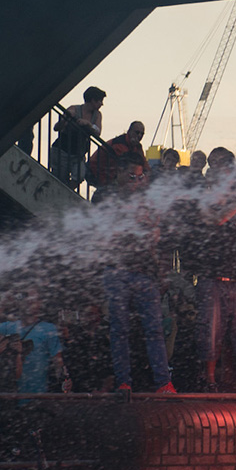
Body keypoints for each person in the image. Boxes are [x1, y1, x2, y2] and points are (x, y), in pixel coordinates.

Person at [187, 148, 236, 391]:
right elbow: (218, 218)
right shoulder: (204, 198)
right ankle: (210, 380)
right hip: (212, 279)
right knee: (210, 331)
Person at [101, 154, 176, 393]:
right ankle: (124, 382)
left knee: (153, 329)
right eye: (132, 176)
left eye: (141, 176)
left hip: (144, 273)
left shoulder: (148, 201)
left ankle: (163, 382)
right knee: (119, 329)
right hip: (117, 271)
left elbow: (158, 237)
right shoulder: (105, 197)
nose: (137, 181)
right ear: (120, 174)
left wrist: (162, 271)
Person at [0, 289, 66, 394]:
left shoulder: (48, 329)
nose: (29, 301)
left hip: (38, 393)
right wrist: (3, 303)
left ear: (40, 303)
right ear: (18, 302)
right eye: (26, 297)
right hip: (11, 394)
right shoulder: (8, 327)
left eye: (34, 299)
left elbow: (58, 361)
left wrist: (63, 383)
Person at [50, 86, 104, 189]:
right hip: (63, 150)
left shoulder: (97, 115)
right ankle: (61, 194)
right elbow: (57, 128)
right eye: (100, 101)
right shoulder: (74, 109)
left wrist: (88, 124)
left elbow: (97, 132)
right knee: (60, 178)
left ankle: (66, 193)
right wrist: (66, 118)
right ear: (92, 100)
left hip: (79, 152)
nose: (102, 104)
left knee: (79, 175)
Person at [87, 121, 148, 203]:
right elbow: (127, 162)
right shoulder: (119, 144)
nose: (139, 136)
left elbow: (144, 164)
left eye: (142, 134)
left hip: (108, 174)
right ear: (129, 131)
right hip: (94, 171)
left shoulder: (137, 146)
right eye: (137, 132)